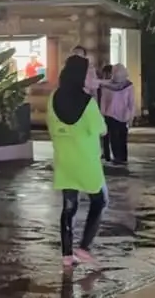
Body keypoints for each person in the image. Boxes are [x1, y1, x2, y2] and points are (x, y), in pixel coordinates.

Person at [47, 54, 107, 267]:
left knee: (69, 207)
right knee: (99, 201)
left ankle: (66, 254)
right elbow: (101, 129)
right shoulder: (88, 103)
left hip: (64, 161)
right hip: (87, 161)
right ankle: (84, 247)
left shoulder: (53, 97)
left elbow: (52, 127)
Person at [100, 63, 135, 166]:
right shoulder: (107, 85)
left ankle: (123, 158)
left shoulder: (129, 86)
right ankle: (117, 158)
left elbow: (131, 102)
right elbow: (103, 101)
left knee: (123, 138)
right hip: (110, 115)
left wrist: (131, 116)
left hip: (123, 116)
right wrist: (102, 115)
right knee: (114, 137)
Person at [97, 64, 114, 162]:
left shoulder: (112, 86)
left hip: (108, 112)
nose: (107, 76)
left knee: (107, 135)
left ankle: (106, 154)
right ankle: (106, 154)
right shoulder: (101, 85)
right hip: (103, 112)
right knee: (105, 135)